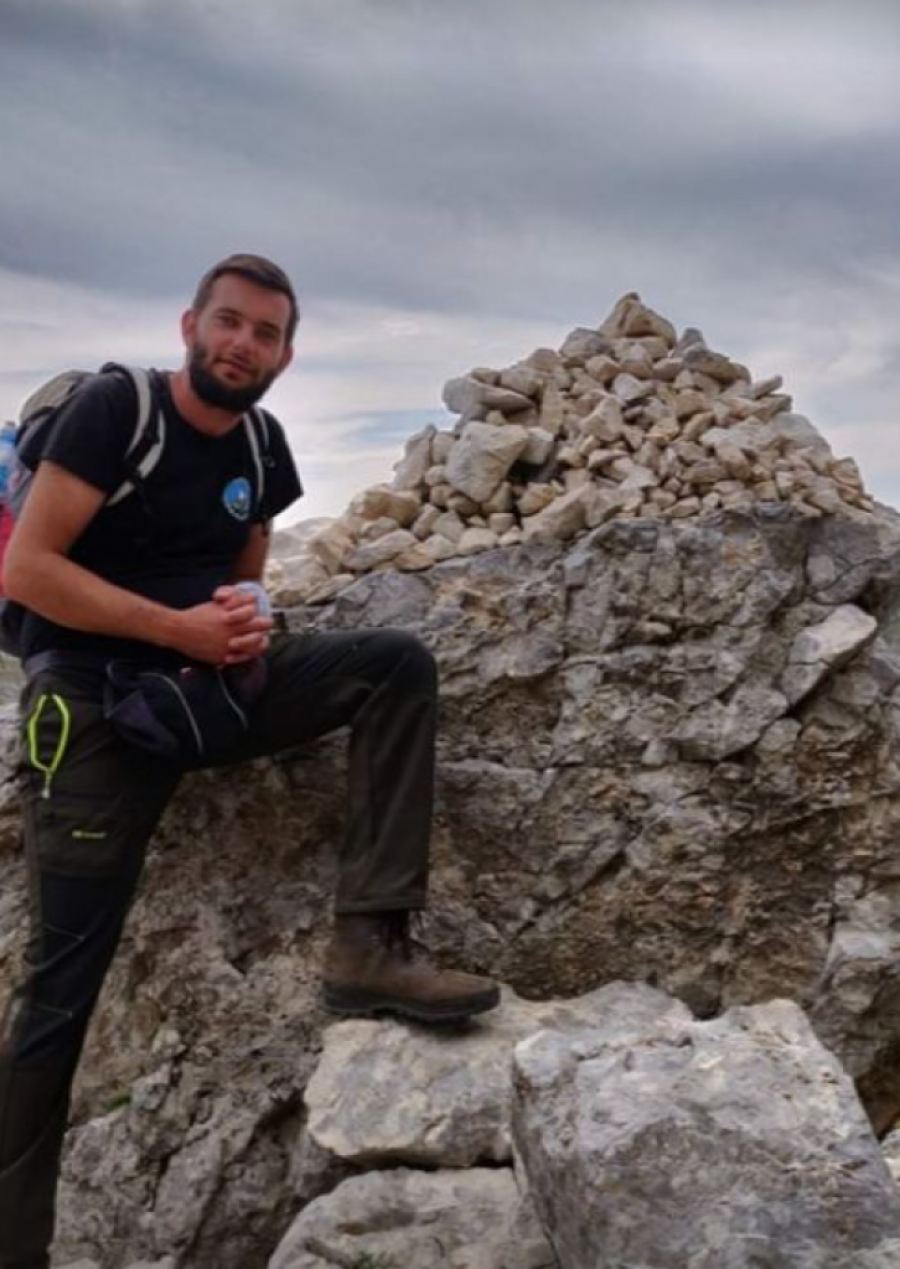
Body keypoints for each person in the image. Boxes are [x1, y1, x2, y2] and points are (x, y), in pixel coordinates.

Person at [0, 253, 499, 1269]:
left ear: (285, 355)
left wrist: (241, 619)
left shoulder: (263, 448)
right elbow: (30, 570)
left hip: (198, 693)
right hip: (93, 707)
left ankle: (370, 946)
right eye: (228, 322)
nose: (242, 344)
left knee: (394, 666)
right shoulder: (116, 411)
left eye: (265, 333)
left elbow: (245, 583)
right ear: (190, 326)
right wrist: (175, 629)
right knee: (60, 996)